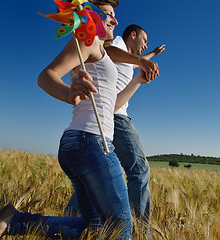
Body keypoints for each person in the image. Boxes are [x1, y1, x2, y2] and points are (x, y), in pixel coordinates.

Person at [0, 1, 159, 239]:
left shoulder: (104, 53)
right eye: (107, 14)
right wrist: (68, 92)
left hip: (82, 144)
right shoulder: (88, 41)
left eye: (114, 16)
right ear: (86, 14)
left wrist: (137, 79)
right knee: (121, 228)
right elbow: (46, 76)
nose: (115, 21)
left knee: (93, 228)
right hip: (91, 142)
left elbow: (114, 105)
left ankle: (15, 221)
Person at [64, 25, 165, 232]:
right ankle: (140, 230)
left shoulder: (127, 59)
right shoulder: (117, 43)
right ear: (132, 35)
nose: (144, 45)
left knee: (97, 173)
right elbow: (108, 52)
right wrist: (142, 59)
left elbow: (132, 64)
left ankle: (72, 219)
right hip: (117, 118)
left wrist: (152, 54)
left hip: (109, 118)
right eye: (143, 40)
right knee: (139, 171)